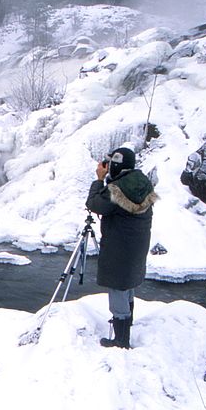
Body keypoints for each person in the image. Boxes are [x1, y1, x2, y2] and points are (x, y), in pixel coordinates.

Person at [85, 146, 158, 349]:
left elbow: (94, 203)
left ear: (116, 165)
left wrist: (100, 179)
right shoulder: (140, 182)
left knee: (117, 286)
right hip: (137, 244)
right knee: (128, 283)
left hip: (119, 247)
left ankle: (121, 340)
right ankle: (127, 323)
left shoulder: (117, 190)